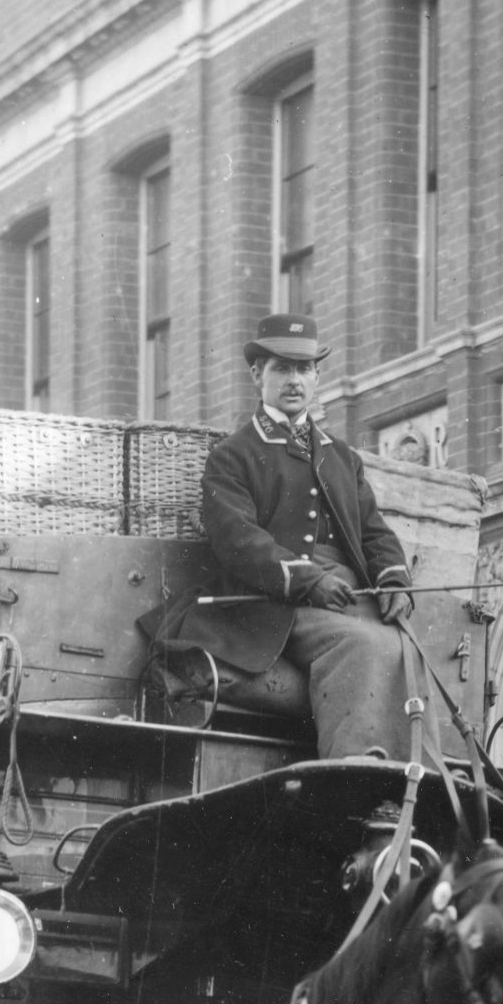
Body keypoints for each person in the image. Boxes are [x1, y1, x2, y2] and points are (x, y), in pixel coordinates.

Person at [164, 312, 431, 761]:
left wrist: (394, 580)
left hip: (347, 594)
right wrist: (306, 578)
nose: (294, 380)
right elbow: (237, 540)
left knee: (410, 645)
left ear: (317, 376)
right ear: (257, 375)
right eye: (281, 369)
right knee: (362, 644)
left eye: (304, 369)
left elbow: (374, 532)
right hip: (274, 604)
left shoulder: (340, 456)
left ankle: (410, 778)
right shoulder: (233, 456)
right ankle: (356, 769)